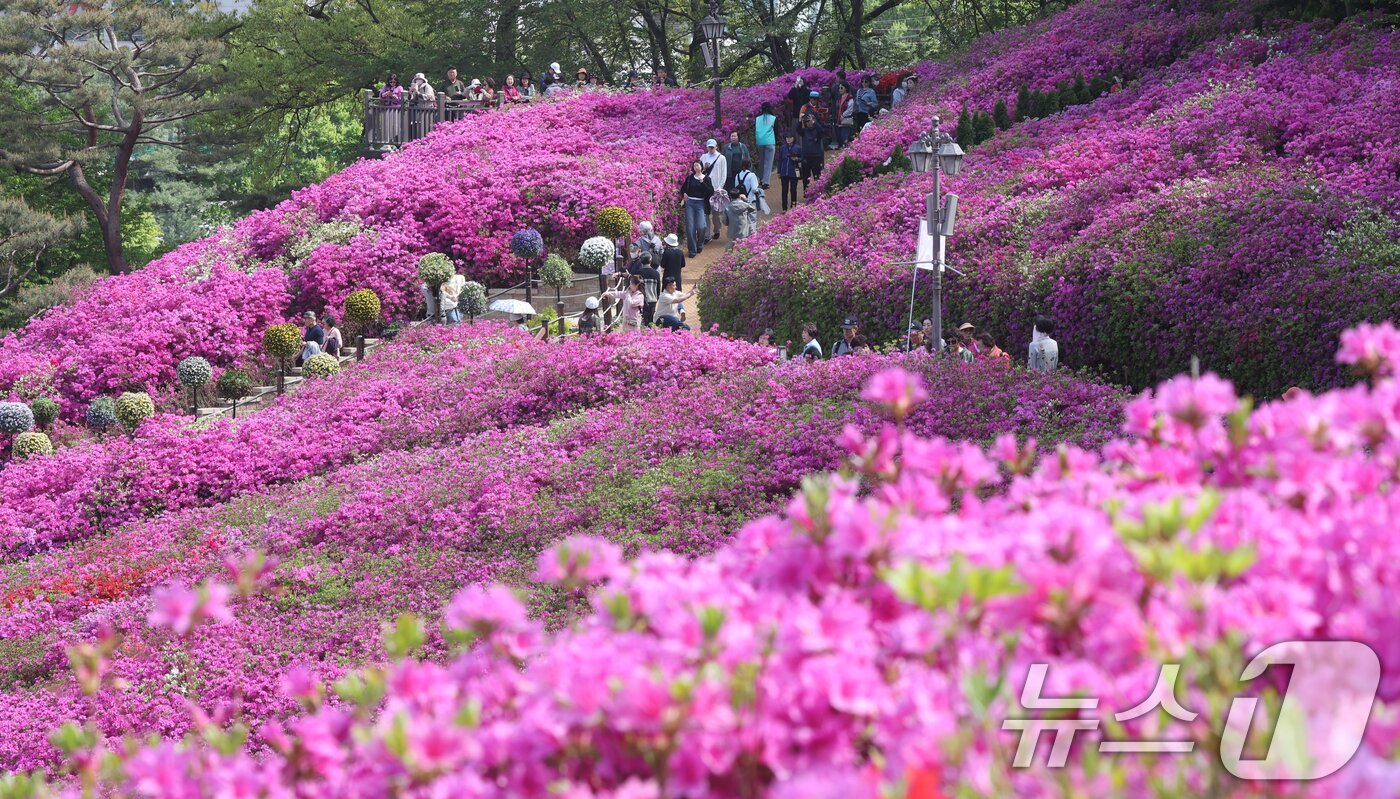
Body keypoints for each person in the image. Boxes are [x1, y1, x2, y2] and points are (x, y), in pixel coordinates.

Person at [679, 160, 713, 257]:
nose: (696, 168)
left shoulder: (706, 179)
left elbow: (710, 192)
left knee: (701, 227)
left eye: (697, 166)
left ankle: (700, 244)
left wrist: (702, 183)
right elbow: (683, 189)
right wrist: (684, 194)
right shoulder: (690, 178)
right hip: (690, 203)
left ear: (701, 167)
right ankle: (692, 251)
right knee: (690, 228)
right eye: (694, 166)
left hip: (701, 203)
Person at [700, 139, 727, 241]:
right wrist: (704, 168)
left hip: (716, 189)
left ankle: (717, 230)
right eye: (709, 147)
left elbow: (724, 173)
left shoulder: (721, 158)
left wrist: (720, 187)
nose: (711, 149)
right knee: (706, 212)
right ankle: (707, 234)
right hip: (705, 188)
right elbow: (699, 171)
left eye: (712, 147)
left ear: (716, 147)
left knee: (716, 213)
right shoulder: (703, 157)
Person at [628, 252, 662, 325]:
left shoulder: (638, 273)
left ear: (641, 261)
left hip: (640, 300)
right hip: (652, 300)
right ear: (650, 260)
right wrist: (656, 298)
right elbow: (658, 289)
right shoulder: (656, 273)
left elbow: (634, 287)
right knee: (650, 322)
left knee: (640, 321)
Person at [799, 114, 826, 193]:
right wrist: (800, 120)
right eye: (807, 122)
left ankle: (819, 191)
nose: (809, 123)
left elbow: (821, 131)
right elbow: (798, 129)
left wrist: (814, 122)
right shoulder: (804, 131)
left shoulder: (817, 130)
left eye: (810, 121)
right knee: (805, 177)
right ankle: (806, 192)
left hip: (816, 156)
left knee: (817, 175)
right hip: (806, 157)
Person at [731, 158, 761, 229]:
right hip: (750, 200)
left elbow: (736, 188)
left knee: (743, 219)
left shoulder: (737, 175)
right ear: (750, 165)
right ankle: (752, 235)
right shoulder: (752, 175)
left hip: (741, 201)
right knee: (752, 218)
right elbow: (754, 189)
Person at [755, 102, 777, 189]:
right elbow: (776, 130)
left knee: (762, 161)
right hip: (770, 141)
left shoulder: (757, 118)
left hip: (760, 142)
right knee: (768, 162)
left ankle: (760, 179)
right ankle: (766, 182)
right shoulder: (773, 118)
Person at [778, 132, 802, 211]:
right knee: (784, 190)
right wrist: (779, 171)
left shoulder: (797, 148)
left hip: (794, 172)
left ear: (793, 138)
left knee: (793, 189)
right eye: (787, 138)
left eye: (790, 137)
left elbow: (803, 158)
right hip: (784, 172)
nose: (788, 139)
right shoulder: (783, 148)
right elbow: (780, 160)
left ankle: (793, 206)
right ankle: (784, 208)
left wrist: (797, 159)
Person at [836, 83, 855, 147]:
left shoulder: (849, 97)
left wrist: (843, 115)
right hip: (839, 120)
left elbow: (850, 109)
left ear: (846, 88)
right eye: (839, 88)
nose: (840, 89)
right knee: (840, 137)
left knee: (844, 136)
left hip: (845, 120)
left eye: (842, 88)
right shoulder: (839, 97)